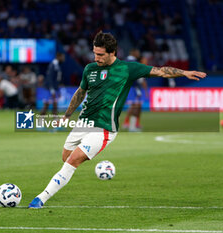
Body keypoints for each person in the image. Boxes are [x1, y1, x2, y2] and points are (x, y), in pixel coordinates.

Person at [28, 31, 206, 208]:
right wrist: (66, 116)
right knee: (66, 158)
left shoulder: (127, 69)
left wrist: (184, 72)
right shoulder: (90, 69)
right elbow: (80, 93)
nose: (96, 58)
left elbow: (161, 72)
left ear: (113, 52)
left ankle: (40, 198)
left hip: (105, 127)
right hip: (84, 123)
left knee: (73, 160)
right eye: (94, 53)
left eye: (100, 54)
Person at [122, 49, 148, 132]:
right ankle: (132, 126)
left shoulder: (125, 61)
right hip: (133, 87)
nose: (138, 54)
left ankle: (131, 124)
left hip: (128, 87)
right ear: (133, 53)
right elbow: (139, 77)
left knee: (135, 105)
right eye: (137, 52)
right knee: (135, 106)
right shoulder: (135, 62)